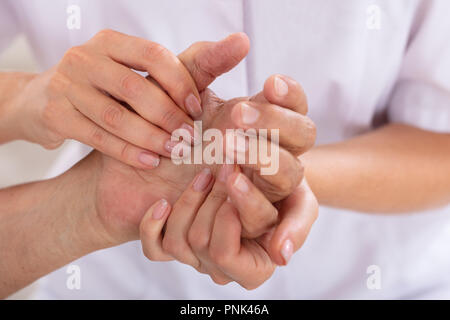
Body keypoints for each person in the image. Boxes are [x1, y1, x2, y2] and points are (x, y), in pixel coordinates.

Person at [1, 0, 450, 299]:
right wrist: (25, 99)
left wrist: (271, 169)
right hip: (116, 272)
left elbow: (440, 140)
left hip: (380, 279)